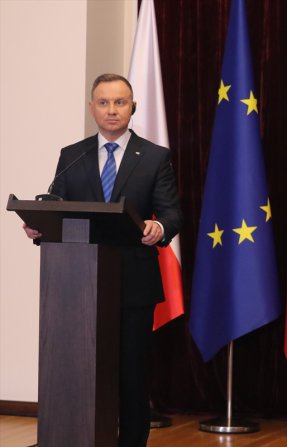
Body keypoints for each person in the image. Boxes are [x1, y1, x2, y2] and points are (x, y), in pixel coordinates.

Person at [23, 73, 182, 447]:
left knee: (131, 374)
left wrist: (159, 227)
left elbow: (172, 213)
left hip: (133, 284)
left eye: (120, 102)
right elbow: (57, 207)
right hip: (77, 287)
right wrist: (39, 227)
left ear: (133, 107)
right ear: (92, 108)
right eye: (104, 102)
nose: (112, 110)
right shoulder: (72, 155)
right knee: (78, 369)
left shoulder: (154, 157)